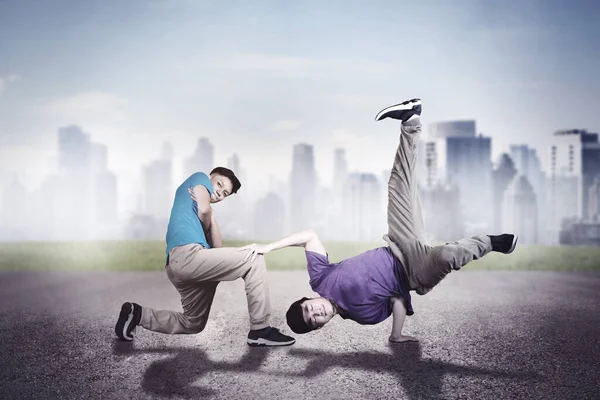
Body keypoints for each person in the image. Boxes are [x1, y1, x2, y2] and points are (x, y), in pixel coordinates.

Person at [239, 98, 518, 343]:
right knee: (447, 255)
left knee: (398, 186)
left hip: (399, 243)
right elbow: (398, 300)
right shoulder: (363, 316)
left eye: (309, 309)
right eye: (314, 320)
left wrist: (268, 247)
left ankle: (411, 119)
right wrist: (396, 335)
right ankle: (492, 242)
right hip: (415, 272)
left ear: (309, 299)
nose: (317, 313)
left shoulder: (320, 278)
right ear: (321, 326)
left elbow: (309, 236)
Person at [114, 167, 296, 347]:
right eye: (219, 184)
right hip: (187, 256)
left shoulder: (203, 214)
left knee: (193, 322)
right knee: (253, 257)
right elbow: (203, 208)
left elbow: (217, 247)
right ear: (210, 177)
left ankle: (137, 314)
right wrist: (207, 210)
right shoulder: (199, 177)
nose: (219, 193)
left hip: (182, 265)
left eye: (225, 193)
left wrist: (211, 215)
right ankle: (260, 330)